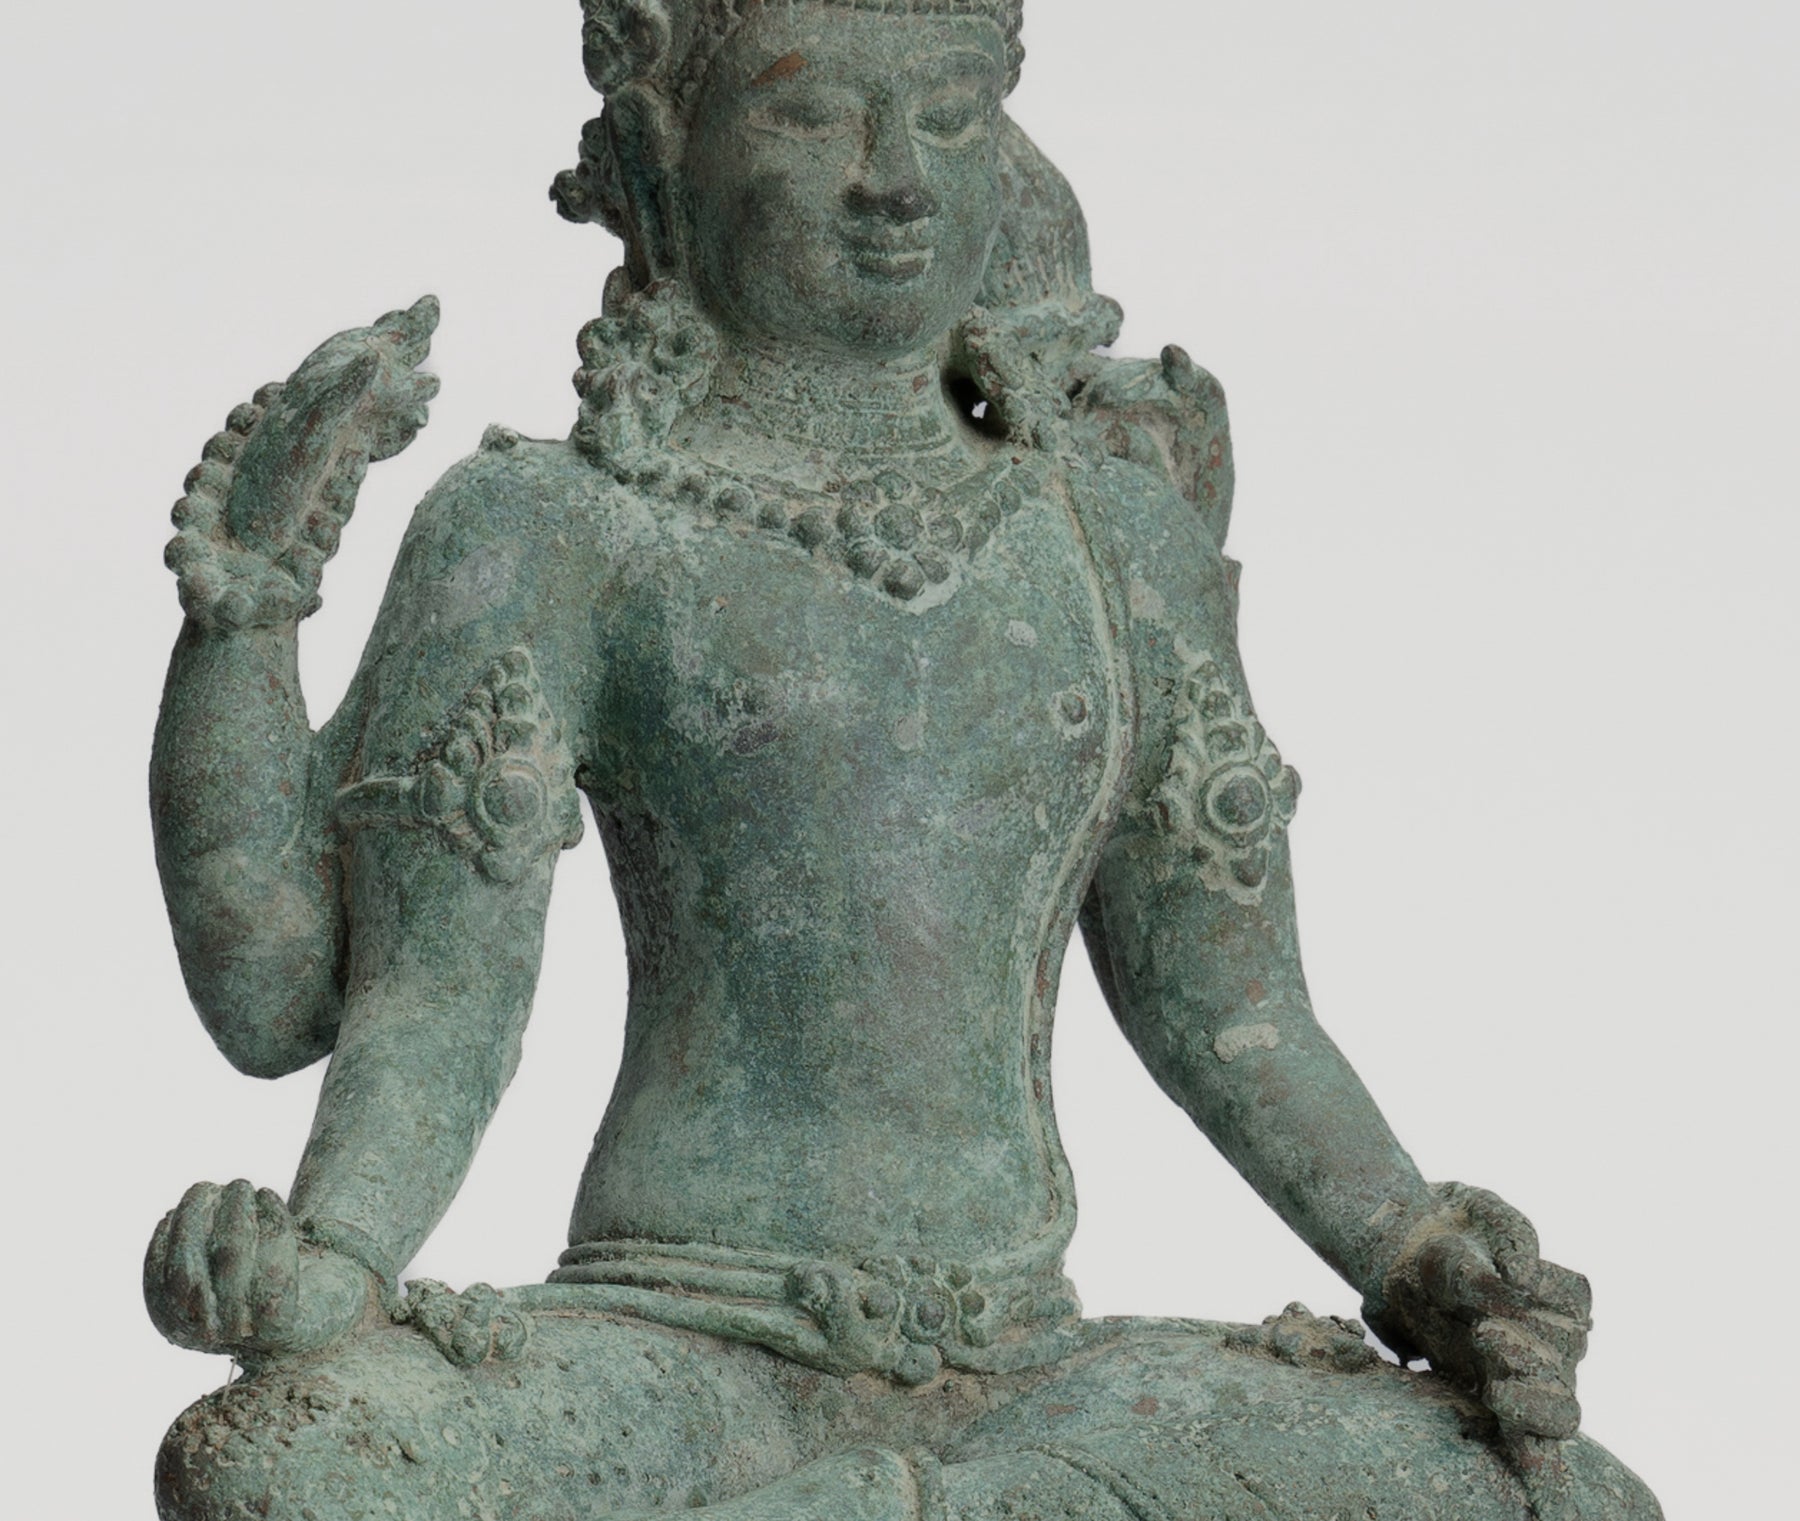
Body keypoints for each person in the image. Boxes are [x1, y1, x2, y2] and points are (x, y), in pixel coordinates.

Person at [144, 3, 1661, 1517]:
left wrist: (1418, 1254)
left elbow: (1230, 1009)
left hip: (1037, 1364)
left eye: (948, 116)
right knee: (279, 1466)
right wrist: (246, 612)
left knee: (1568, 1496)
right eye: (810, 115)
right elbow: (379, 998)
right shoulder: (556, 527)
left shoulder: (1113, 537)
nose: (895, 178)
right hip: (672, 1345)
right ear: (668, 145)